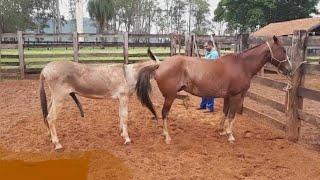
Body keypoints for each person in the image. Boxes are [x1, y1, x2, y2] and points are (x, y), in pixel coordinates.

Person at [197, 40, 219, 112]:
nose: (205, 48)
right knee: (204, 90)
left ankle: (209, 107)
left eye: (206, 46)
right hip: (206, 74)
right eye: (204, 46)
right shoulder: (208, 52)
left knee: (209, 91)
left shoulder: (214, 54)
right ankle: (203, 105)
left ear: (210, 45)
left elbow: (211, 65)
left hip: (212, 75)